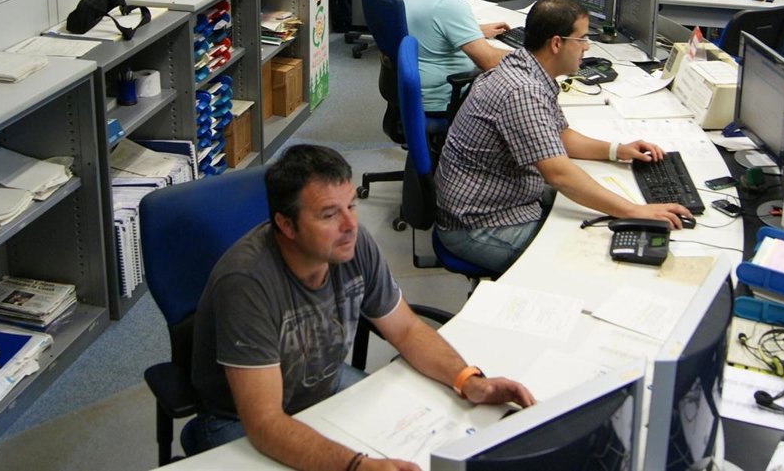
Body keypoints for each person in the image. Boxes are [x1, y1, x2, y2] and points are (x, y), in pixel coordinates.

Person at [188, 144, 535, 469]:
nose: (350, 225)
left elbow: (407, 330)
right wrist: (357, 465)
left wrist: (469, 380)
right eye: (329, 215)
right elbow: (265, 423)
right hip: (238, 420)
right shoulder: (246, 283)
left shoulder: (351, 246)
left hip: (323, 384)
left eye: (351, 206)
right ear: (286, 225)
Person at [436, 0, 691, 275]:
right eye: (581, 39)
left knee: (598, 214)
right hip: (479, 226)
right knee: (592, 267)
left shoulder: (526, 66)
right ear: (556, 43)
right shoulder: (523, 92)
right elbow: (558, 174)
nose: (587, 46)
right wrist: (634, 211)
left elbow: (559, 135)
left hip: (501, 199)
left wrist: (616, 150)